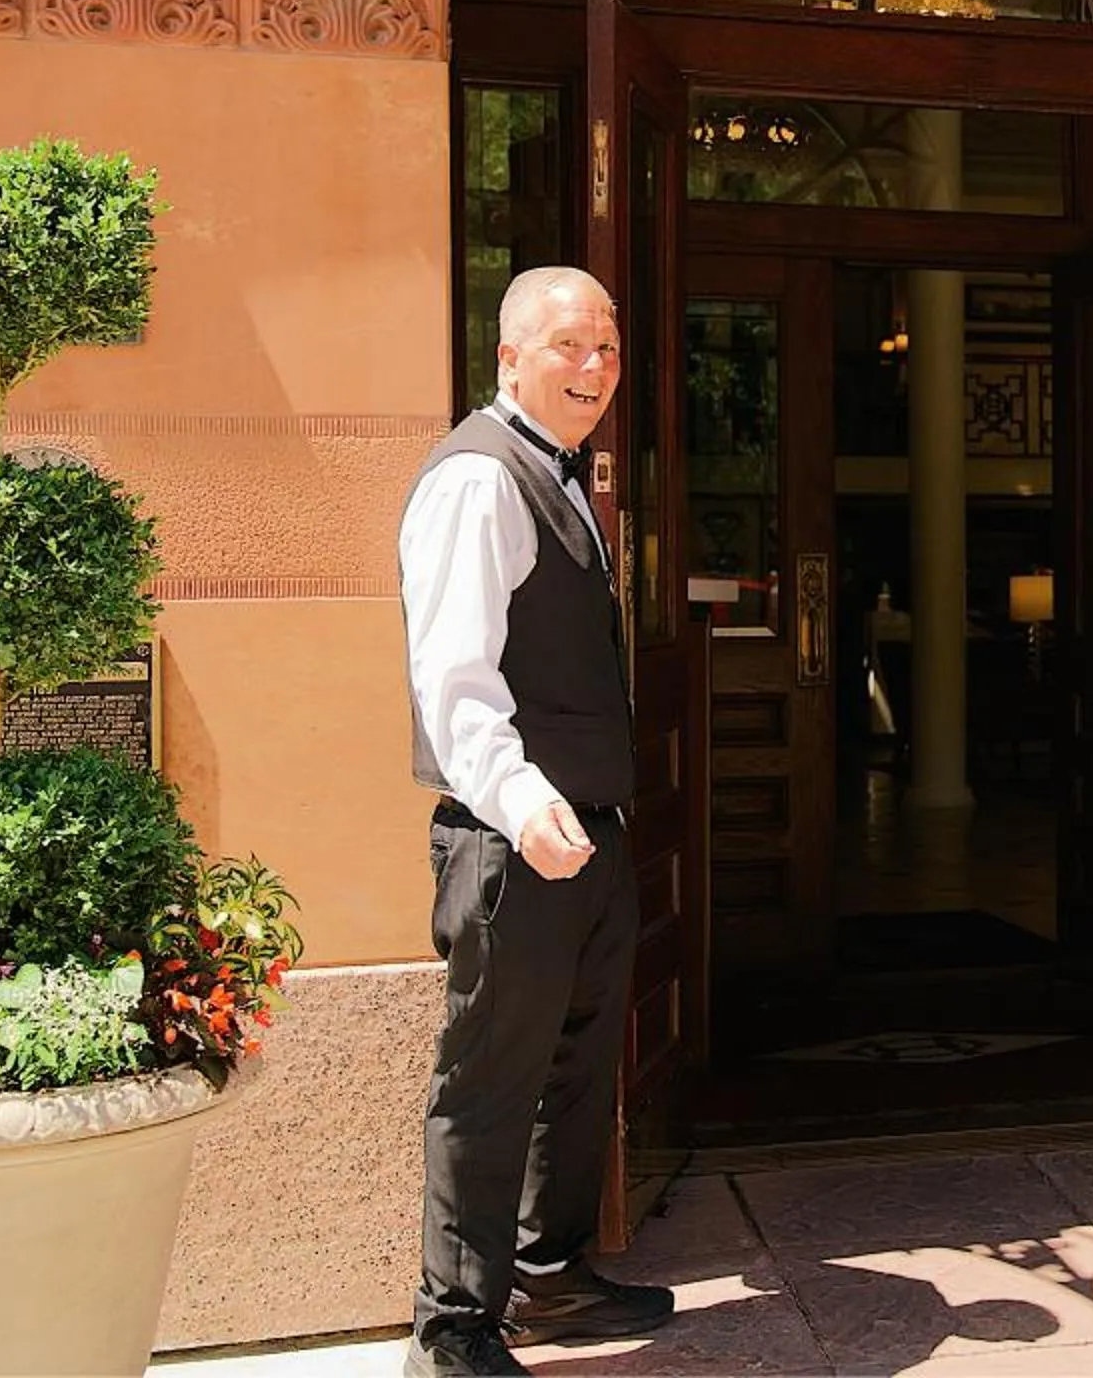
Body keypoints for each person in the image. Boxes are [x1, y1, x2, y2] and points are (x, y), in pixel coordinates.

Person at [399, 265, 676, 1377]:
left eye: (607, 347)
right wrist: (521, 800)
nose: (594, 368)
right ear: (508, 354)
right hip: (514, 838)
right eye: (569, 346)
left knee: (577, 1065)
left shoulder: (564, 478)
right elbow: (453, 674)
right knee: (491, 1078)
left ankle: (549, 1278)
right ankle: (452, 1327)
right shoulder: (478, 476)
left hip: (586, 831)